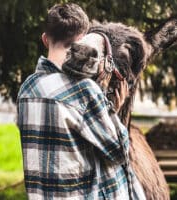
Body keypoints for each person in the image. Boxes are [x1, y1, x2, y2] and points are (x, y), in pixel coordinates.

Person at [17, 3, 144, 199]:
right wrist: (112, 112)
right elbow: (118, 152)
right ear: (83, 42)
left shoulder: (26, 90)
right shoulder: (84, 90)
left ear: (44, 39)